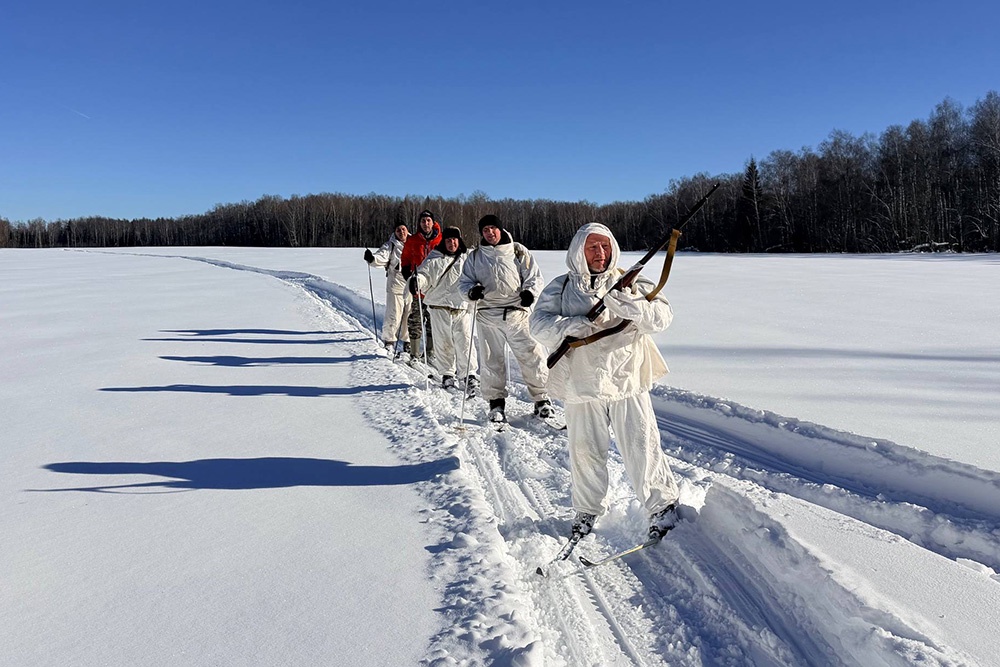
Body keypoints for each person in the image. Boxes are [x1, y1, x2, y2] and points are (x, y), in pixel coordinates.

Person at [529, 222, 680, 541]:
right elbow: (538, 325)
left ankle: (662, 507)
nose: (601, 253)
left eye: (605, 246)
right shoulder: (561, 287)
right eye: (593, 247)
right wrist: (570, 326)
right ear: (578, 251)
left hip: (627, 378)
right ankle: (587, 510)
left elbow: (663, 317)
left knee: (642, 445)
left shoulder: (630, 281)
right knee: (585, 452)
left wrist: (636, 308)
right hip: (581, 383)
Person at [459, 214, 552, 425]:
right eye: (485, 230)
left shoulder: (518, 251)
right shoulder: (475, 257)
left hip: (517, 313)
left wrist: (530, 293)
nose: (489, 233)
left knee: (532, 355)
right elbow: (464, 283)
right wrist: (471, 292)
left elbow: (534, 277)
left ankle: (542, 399)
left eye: (493, 228)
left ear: (500, 229)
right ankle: (496, 403)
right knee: (491, 359)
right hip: (487, 315)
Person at [412, 226, 479, 393]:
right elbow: (424, 275)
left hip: (461, 307)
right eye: (448, 240)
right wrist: (416, 281)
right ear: (444, 241)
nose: (451, 243)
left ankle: (469, 374)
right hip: (439, 307)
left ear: (459, 240)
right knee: (443, 343)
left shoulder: (467, 259)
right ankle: (447, 374)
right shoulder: (434, 258)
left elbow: (476, 277)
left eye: (454, 239)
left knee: (465, 342)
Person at [400, 210, 442, 362]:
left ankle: (430, 352)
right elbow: (405, 259)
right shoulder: (412, 240)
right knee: (415, 320)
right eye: (423, 221)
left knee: (433, 321)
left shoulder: (441, 240)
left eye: (428, 220)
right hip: (417, 289)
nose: (426, 224)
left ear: (433, 222)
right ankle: (415, 353)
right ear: (419, 223)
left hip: (435, 289)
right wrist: (407, 274)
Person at [364, 222, 411, 355]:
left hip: (412, 282)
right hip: (396, 282)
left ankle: (408, 342)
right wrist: (372, 258)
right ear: (395, 232)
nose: (401, 232)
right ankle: (389, 341)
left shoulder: (413, 242)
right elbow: (382, 255)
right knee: (394, 313)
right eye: (398, 230)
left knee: (410, 314)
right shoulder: (390, 245)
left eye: (403, 229)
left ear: (407, 230)